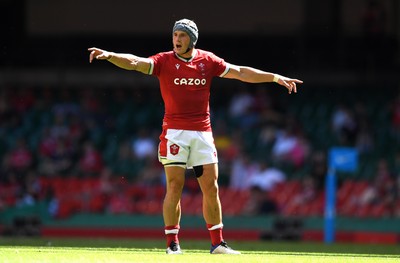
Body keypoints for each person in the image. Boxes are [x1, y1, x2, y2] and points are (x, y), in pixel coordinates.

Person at [88, 18, 303, 255]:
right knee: (174, 186)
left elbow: (241, 72)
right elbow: (136, 62)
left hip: (202, 133)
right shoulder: (164, 60)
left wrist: (274, 77)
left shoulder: (207, 60)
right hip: (175, 134)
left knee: (211, 187)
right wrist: (110, 55)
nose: (177, 40)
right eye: (175, 35)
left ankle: (218, 243)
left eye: (182, 35)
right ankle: (172, 244)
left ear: (192, 38)